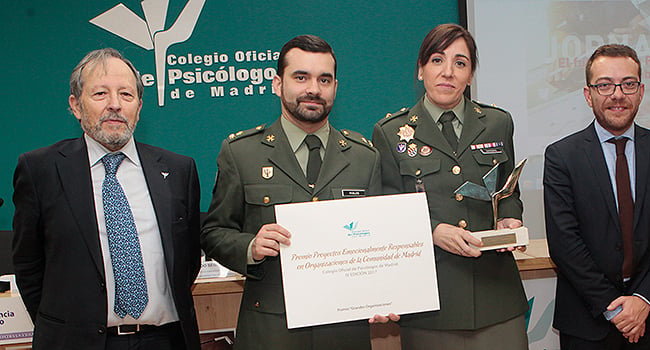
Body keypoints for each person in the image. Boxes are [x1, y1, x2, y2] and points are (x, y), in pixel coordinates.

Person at [200, 35, 390, 349]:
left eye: (324, 79)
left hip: (344, 332)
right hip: (271, 331)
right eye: (301, 77)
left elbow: (379, 241)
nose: (313, 89)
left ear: (335, 88)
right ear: (278, 83)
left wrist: (385, 294)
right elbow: (214, 232)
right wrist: (252, 246)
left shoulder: (364, 157)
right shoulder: (241, 153)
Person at [12, 48, 201, 349]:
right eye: (100, 94)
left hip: (163, 340)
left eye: (126, 95)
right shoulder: (41, 170)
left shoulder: (178, 170)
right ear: (76, 105)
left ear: (139, 107)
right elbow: (28, 265)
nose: (115, 105)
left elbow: (188, 261)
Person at [371, 23, 529, 349]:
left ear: (470, 75)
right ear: (420, 70)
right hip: (431, 303)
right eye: (437, 60)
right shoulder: (390, 133)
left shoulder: (498, 123)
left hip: (496, 294)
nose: (448, 72)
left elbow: (508, 190)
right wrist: (432, 231)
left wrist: (510, 218)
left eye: (460, 63)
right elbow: (385, 212)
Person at [543, 44, 650, 350]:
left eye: (628, 84)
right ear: (588, 94)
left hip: (648, 319)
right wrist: (615, 307)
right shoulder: (562, 156)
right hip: (587, 321)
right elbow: (564, 243)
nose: (618, 94)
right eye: (605, 85)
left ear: (641, 91)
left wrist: (642, 301)